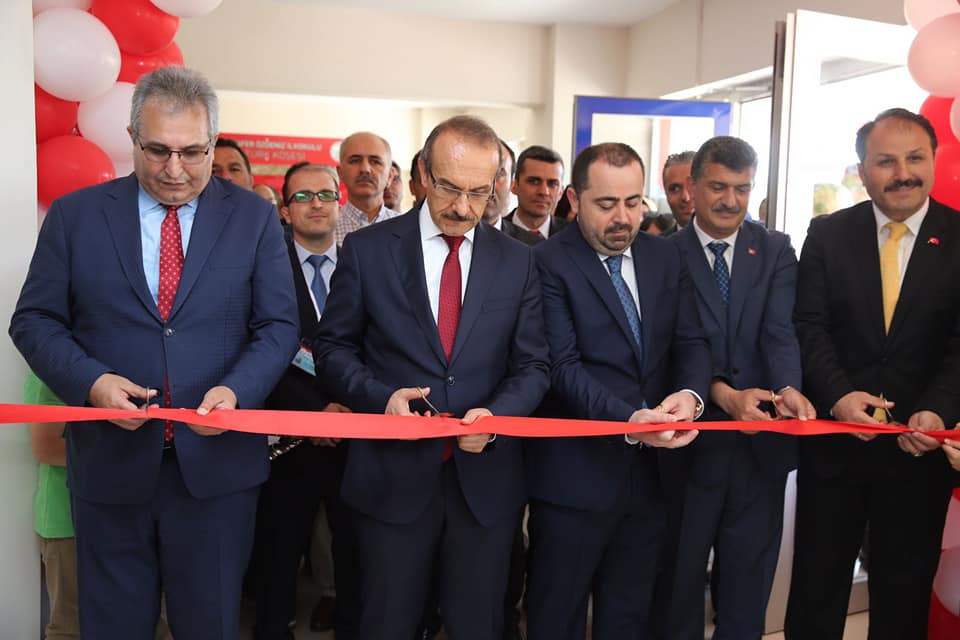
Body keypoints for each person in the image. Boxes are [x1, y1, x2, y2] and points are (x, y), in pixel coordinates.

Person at [10, 66, 299, 639]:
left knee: (210, 625)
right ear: (131, 137)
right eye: (158, 150)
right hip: (109, 469)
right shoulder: (76, 216)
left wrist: (237, 391)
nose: (174, 169)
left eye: (193, 153)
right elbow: (34, 320)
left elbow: (279, 325)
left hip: (217, 473)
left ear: (213, 143)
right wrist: (93, 383)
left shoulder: (254, 218)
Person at [313, 115, 549, 640]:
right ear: (422, 173)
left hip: (483, 484)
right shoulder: (369, 250)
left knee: (477, 625)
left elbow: (534, 365)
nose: (462, 207)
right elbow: (333, 350)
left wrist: (498, 416)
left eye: (479, 193)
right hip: (391, 479)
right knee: (386, 623)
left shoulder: (519, 262)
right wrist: (381, 399)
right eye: (448, 188)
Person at [785, 108, 960, 640]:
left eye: (915, 158)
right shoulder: (828, 234)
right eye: (886, 161)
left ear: (934, 161)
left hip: (918, 451)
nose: (903, 173)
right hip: (835, 447)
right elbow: (809, 325)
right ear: (862, 171)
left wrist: (938, 410)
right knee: (817, 589)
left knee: (902, 596)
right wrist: (838, 396)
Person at [526, 142, 709, 640]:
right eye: (606, 204)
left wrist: (690, 396)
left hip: (651, 481)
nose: (623, 218)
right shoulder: (545, 262)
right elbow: (561, 366)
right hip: (573, 481)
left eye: (633, 202)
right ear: (573, 199)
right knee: (556, 616)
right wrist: (629, 421)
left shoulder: (665, 256)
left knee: (629, 615)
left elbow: (691, 341)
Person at [668, 136, 814, 640]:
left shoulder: (774, 249)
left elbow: (780, 332)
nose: (731, 200)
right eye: (719, 187)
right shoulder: (662, 254)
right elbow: (671, 348)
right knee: (678, 586)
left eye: (743, 188)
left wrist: (788, 387)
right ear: (692, 187)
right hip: (688, 449)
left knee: (747, 589)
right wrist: (722, 395)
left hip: (758, 449)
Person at [249, 163, 360, 640]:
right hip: (289, 439)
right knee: (279, 552)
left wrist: (346, 410)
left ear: (339, 202)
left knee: (354, 551)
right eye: (303, 196)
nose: (316, 204)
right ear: (284, 210)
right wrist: (315, 414)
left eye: (326, 194)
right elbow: (257, 349)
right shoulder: (263, 269)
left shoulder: (365, 265)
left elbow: (379, 346)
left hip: (356, 435)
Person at [333, 131, 400, 244]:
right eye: (355, 161)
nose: (365, 169)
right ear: (340, 173)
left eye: (375, 162)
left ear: (390, 176)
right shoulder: (326, 230)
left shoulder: (407, 229)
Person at [504, 145, 568, 238]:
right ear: (514, 186)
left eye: (552, 184)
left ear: (561, 192)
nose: (544, 192)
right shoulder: (494, 233)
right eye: (534, 182)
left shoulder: (574, 237)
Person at [484, 140, 540, 246]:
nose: (489, 185)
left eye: (499, 174)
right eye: (481, 172)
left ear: (512, 184)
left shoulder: (531, 248)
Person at [660, 151, 695, 237]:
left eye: (693, 186)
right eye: (675, 189)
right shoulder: (657, 245)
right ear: (666, 193)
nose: (686, 197)